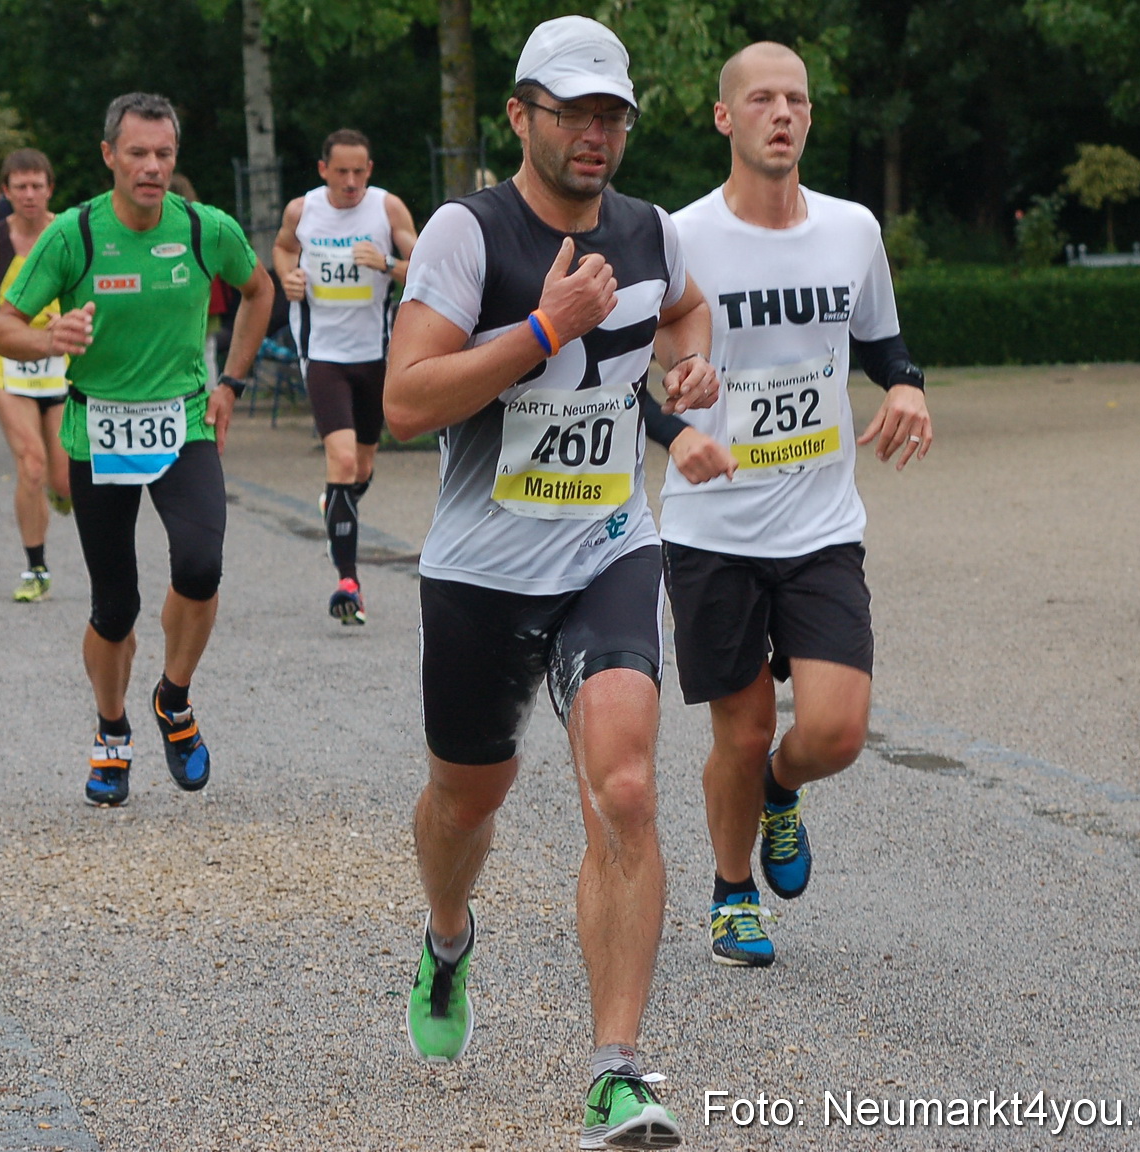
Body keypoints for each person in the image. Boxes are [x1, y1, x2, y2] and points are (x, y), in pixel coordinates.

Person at [384, 16, 735, 1150]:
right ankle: (446, 940)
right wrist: (544, 325)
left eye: (612, 115)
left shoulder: (650, 230)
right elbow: (405, 402)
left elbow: (683, 311)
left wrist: (691, 368)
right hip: (482, 570)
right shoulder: (465, 231)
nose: (595, 133)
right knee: (464, 802)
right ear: (520, 115)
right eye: (573, 111)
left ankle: (615, 1072)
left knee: (625, 789)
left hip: (607, 546)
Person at [658, 42, 932, 969]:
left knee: (833, 731)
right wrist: (676, 433)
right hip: (713, 526)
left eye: (798, 101)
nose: (783, 113)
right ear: (723, 117)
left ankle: (784, 789)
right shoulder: (678, 236)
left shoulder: (852, 229)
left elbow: (884, 345)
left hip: (819, 525)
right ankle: (732, 894)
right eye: (763, 99)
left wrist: (906, 388)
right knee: (738, 730)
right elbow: (625, 373)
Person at [0, 93, 274, 808]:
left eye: (164, 155)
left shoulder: (206, 228)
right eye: (138, 153)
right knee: (115, 605)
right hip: (97, 430)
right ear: (109, 155)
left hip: (182, 424)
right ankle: (110, 729)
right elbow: (2, 327)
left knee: (201, 563)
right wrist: (47, 340)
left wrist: (232, 382)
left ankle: (172, 701)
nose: (151, 167)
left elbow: (258, 290)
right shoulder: (73, 236)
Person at [272, 129, 418, 624]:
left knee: (360, 470)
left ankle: (336, 503)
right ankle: (348, 583)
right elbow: (282, 247)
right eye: (342, 173)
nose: (351, 182)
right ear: (323, 171)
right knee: (340, 456)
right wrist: (287, 275)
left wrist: (389, 263)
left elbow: (425, 265)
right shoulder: (303, 210)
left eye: (360, 172)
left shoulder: (387, 209)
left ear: (370, 170)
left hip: (375, 356)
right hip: (323, 355)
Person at [0, 148, 72, 603]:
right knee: (31, 464)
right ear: (6, 192)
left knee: (64, 480)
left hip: (62, 366)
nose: (29, 195)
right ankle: (36, 568)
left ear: (50, 188)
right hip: (11, 368)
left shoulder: (68, 233)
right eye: (20, 187)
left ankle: (60, 493)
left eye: (37, 186)